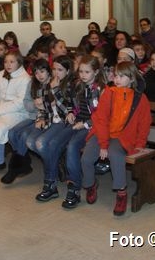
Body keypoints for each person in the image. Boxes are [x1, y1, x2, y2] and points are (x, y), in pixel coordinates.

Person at [81, 61, 152, 216]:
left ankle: (121, 192)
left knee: (116, 155)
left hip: (123, 137)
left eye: (122, 76)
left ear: (131, 78)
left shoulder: (140, 98)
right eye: (116, 75)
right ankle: (91, 185)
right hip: (103, 134)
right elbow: (101, 120)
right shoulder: (109, 93)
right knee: (86, 158)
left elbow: (144, 124)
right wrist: (103, 144)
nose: (117, 79)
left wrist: (140, 144)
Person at [56, 54, 106, 209]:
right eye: (81, 71)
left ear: (96, 72)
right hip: (78, 122)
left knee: (72, 146)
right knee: (57, 141)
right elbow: (71, 103)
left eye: (87, 72)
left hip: (93, 127)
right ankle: (57, 178)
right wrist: (71, 112)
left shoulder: (101, 90)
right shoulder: (78, 85)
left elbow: (102, 116)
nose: (83, 75)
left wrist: (84, 124)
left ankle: (75, 188)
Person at [29, 55, 75, 202]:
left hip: (66, 123)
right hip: (52, 121)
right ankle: (53, 178)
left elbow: (67, 110)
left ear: (68, 71)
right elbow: (45, 108)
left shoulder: (70, 85)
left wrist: (55, 90)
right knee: (37, 143)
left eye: (60, 70)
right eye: (54, 69)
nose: (56, 73)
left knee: (43, 143)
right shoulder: (50, 83)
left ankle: (50, 183)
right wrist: (41, 117)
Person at [1, 59, 52, 184]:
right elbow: (26, 102)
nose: (39, 75)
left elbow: (54, 105)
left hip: (46, 117)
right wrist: (35, 105)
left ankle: (14, 168)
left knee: (24, 135)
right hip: (32, 115)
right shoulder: (32, 83)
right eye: (36, 72)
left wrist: (43, 105)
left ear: (48, 71)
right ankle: (23, 161)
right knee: (12, 132)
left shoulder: (53, 84)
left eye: (42, 71)